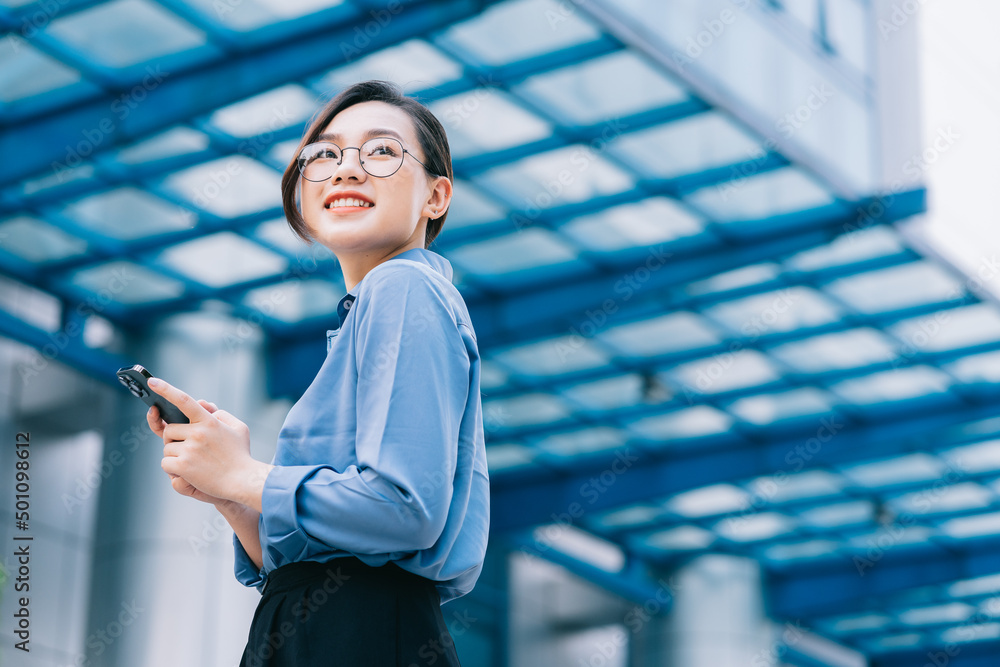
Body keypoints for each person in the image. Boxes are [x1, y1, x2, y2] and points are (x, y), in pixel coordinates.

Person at [144, 80, 490, 666]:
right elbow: (313, 556)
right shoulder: (369, 315)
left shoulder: (402, 286)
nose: (345, 170)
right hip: (319, 626)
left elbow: (403, 509)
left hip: (359, 632)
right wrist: (231, 493)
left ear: (437, 196)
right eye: (324, 155)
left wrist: (248, 474)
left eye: (381, 152)